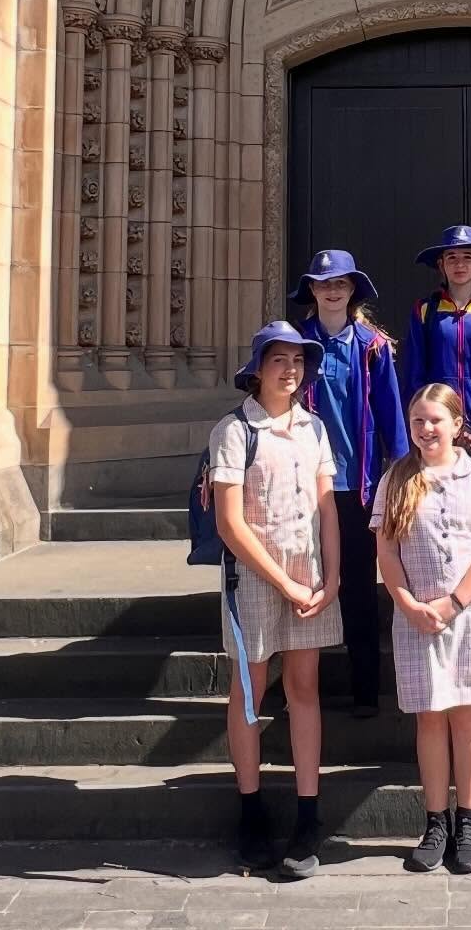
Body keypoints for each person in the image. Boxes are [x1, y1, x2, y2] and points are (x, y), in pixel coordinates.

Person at [371, 382, 471, 876]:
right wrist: (409, 603)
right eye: (418, 420)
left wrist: (454, 602)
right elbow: (387, 551)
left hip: (470, 613)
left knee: (467, 719)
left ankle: (469, 823)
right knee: (430, 719)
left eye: (436, 419)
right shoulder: (396, 478)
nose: (426, 428)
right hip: (416, 618)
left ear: (458, 425)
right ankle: (436, 822)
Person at [210, 320, 342, 878]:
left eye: (298, 361)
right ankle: (251, 810)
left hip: (308, 576)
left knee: (304, 687)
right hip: (257, 580)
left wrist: (332, 577)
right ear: (258, 368)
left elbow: (327, 508)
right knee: (249, 690)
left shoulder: (313, 428)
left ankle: (308, 814)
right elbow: (229, 523)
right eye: (279, 360)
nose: (290, 371)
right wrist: (283, 582)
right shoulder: (236, 430)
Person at [291, 248, 408, 719]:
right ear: (313, 292)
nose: (333, 290)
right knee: (305, 582)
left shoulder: (373, 346)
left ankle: (364, 688)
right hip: (304, 488)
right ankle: (301, 692)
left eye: (341, 283)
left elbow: (391, 416)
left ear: (353, 290)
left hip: (357, 486)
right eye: (323, 283)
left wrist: (400, 478)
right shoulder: (294, 344)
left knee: (359, 585)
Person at [404, 224, 471, 464]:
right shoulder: (425, 311)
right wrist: (429, 418)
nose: (460, 264)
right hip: (436, 426)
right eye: (451, 257)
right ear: (441, 265)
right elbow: (415, 372)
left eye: (467, 257)